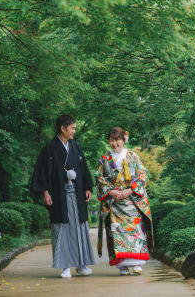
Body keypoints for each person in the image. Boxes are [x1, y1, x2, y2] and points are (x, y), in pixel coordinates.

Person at [31, 114, 95, 278]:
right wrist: (45, 192)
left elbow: (83, 169)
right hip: (59, 196)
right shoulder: (49, 149)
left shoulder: (77, 147)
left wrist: (88, 187)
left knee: (80, 228)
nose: (74, 131)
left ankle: (81, 265)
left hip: (77, 194)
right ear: (63, 128)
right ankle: (65, 266)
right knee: (62, 228)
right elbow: (42, 172)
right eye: (72, 128)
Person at [95, 127, 153, 275]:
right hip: (114, 202)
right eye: (112, 140)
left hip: (131, 201)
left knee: (136, 232)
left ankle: (138, 264)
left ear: (123, 140)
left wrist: (129, 190)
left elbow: (141, 175)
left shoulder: (132, 156)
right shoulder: (105, 159)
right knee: (117, 233)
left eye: (117, 140)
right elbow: (99, 178)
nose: (114, 143)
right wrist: (111, 191)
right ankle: (122, 266)